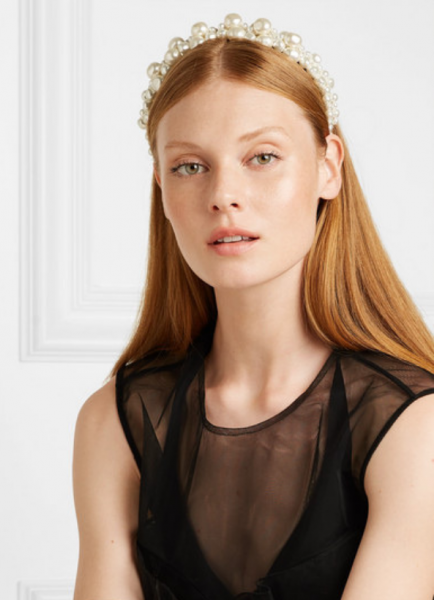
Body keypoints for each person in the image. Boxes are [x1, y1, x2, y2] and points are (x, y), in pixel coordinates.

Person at [72, 14, 434, 600]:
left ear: (328, 166)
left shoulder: (415, 426)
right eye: (190, 166)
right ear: (161, 188)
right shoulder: (113, 423)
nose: (223, 196)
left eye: (262, 157)